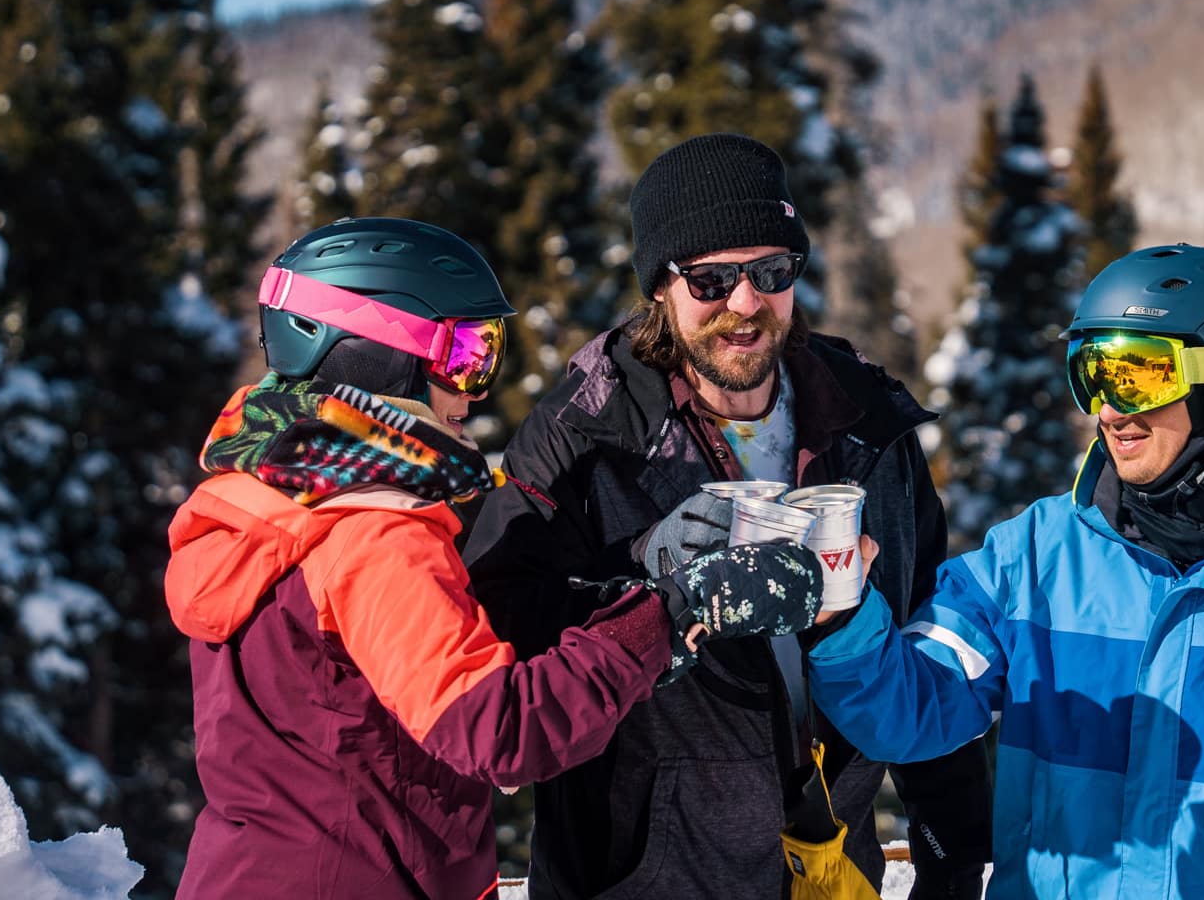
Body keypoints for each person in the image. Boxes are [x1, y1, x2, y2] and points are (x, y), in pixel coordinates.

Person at [167, 216, 824, 900]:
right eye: (463, 355)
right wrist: (676, 613)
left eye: (487, 353)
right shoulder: (367, 528)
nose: (476, 390)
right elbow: (496, 731)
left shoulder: (264, 495)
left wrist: (635, 623)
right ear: (370, 353)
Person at [803, 244, 1204, 900]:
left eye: (1138, 375)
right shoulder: (1031, 560)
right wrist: (843, 614)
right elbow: (905, 715)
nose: (1109, 409)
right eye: (1091, 373)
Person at [465, 133, 994, 900]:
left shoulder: (866, 420)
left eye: (771, 272)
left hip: (830, 863)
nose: (746, 304)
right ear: (659, 286)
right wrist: (644, 572)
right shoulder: (587, 432)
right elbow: (500, 625)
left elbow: (927, 639)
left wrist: (953, 856)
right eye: (711, 280)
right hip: (645, 876)